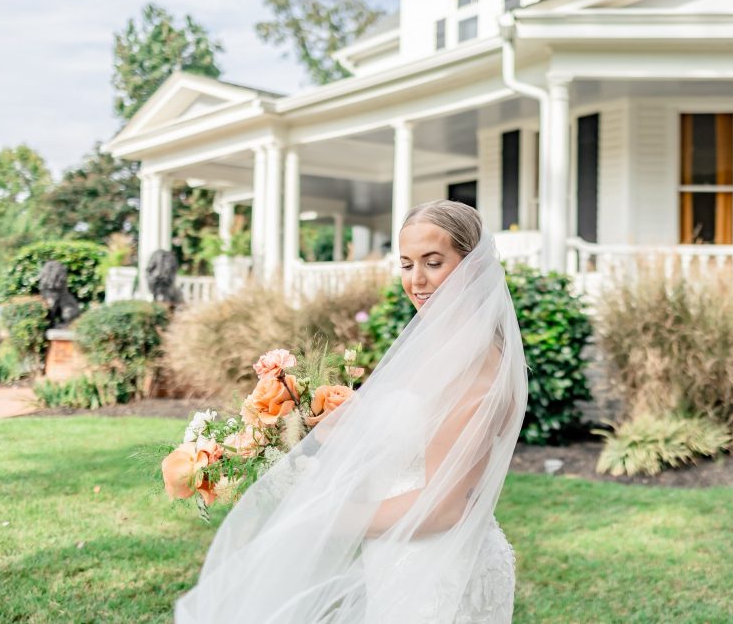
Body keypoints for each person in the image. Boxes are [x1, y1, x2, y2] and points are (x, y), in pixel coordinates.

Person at [176, 200, 528, 623]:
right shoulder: (436, 347)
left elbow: (445, 508)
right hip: (397, 554)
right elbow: (409, 441)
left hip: (435, 572)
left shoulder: (472, 366)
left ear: (472, 266)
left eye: (434, 263)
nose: (417, 280)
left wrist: (328, 518)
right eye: (406, 264)